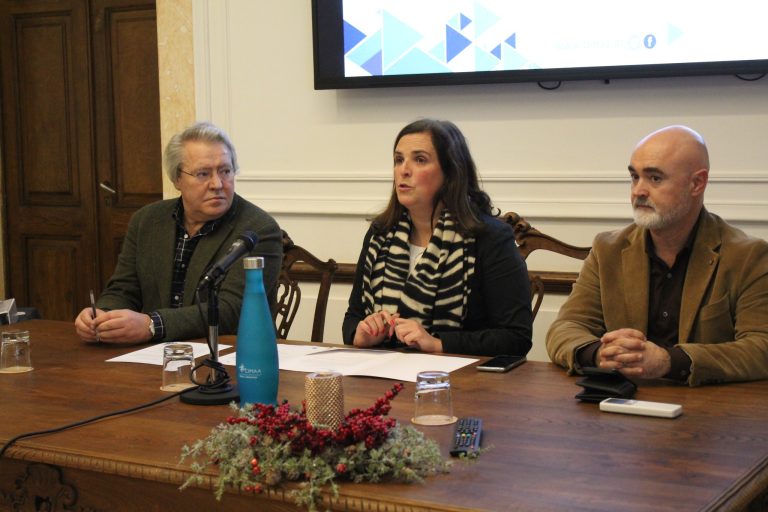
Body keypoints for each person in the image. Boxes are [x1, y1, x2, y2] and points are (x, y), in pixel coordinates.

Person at [546, 125, 768, 386]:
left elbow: (761, 347)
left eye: (655, 178)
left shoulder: (747, 256)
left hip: (706, 403)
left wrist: (669, 361)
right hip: (623, 401)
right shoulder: (608, 249)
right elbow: (565, 327)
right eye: (634, 177)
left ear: (697, 183)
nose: (638, 191)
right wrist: (599, 354)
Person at [74, 121, 282, 344]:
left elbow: (232, 310)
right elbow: (124, 289)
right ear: (177, 179)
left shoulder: (258, 229)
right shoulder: (147, 221)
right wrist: (103, 316)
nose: (217, 184)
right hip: (153, 354)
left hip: (228, 353)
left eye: (225, 171)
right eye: (203, 173)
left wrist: (153, 325)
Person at [342, 119, 532, 356]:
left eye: (420, 160)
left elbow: (516, 337)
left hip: (460, 376)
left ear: (451, 172)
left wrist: (437, 344)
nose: (404, 170)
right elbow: (353, 317)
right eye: (398, 160)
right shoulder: (380, 234)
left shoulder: (489, 238)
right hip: (382, 372)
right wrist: (361, 334)